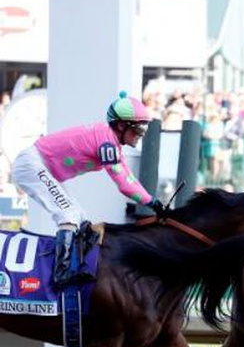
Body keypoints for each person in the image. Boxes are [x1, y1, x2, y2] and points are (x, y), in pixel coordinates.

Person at [10, 90, 164, 287]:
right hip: (32, 165)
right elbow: (124, 185)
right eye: (138, 129)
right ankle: (61, 274)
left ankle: (78, 266)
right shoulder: (106, 142)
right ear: (120, 125)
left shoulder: (111, 142)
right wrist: (153, 202)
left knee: (81, 219)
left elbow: (130, 178)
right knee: (67, 215)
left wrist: (153, 200)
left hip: (42, 166)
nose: (140, 135)